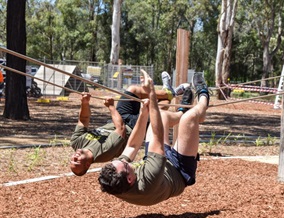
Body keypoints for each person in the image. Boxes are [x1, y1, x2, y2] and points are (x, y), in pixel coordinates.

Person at [98, 70, 210, 206]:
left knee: (163, 116)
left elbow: (132, 146)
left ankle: (185, 112)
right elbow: (158, 135)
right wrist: (151, 94)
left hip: (157, 162)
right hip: (179, 170)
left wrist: (143, 114)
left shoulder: (116, 178)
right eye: (126, 164)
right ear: (130, 179)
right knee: (190, 118)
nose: (126, 161)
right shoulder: (149, 179)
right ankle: (203, 94)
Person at [69, 71, 186, 176]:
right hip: (133, 127)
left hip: (120, 117)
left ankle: (169, 93)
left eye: (72, 159)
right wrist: (110, 107)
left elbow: (83, 119)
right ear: (87, 164)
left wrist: (84, 103)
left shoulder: (76, 142)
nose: (75, 156)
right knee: (158, 108)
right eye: (77, 161)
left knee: (133, 90)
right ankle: (181, 107)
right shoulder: (104, 153)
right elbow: (121, 129)